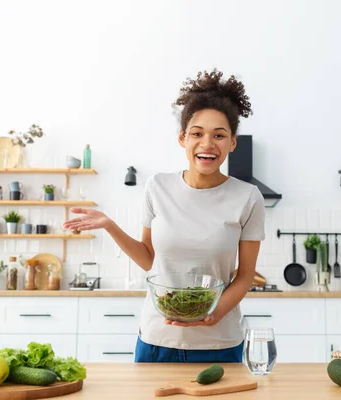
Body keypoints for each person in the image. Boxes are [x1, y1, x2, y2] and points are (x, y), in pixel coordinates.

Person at [63, 69, 265, 363]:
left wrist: (211, 314)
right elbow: (150, 259)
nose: (207, 144)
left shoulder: (248, 197)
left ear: (232, 142)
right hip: (158, 339)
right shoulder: (157, 187)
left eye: (219, 135)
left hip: (219, 341)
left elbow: (244, 276)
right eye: (197, 133)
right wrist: (109, 225)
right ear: (182, 138)